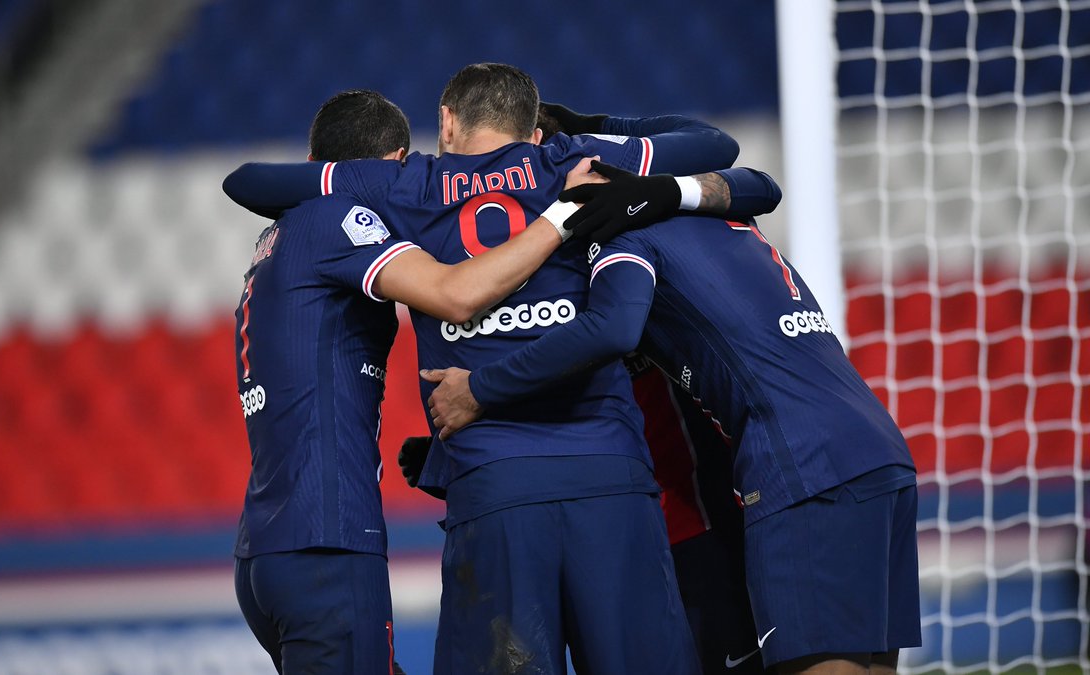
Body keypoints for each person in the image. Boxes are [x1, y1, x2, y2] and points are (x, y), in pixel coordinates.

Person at [223, 62, 779, 675]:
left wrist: (354, 175)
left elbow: (250, 182)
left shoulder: (407, 182)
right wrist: (593, 130)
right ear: (533, 129)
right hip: (609, 471)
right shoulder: (570, 159)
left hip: (495, 484)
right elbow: (716, 145)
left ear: (447, 122)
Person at [423, 162, 923, 675]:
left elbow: (609, 331)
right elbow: (756, 178)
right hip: (876, 448)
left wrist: (481, 390)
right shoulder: (724, 212)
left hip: (798, 468)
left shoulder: (624, 236)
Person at [231, 88, 611, 675]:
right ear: (398, 162)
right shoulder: (338, 222)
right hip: (328, 541)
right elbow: (454, 295)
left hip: (267, 547)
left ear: (315, 166)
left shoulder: (275, 243)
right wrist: (562, 216)